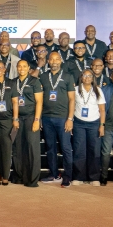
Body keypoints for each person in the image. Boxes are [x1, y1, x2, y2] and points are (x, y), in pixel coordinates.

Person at [39, 51, 75, 186]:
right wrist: (40, 117)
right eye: (52, 59)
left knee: (66, 147)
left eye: (57, 59)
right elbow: (40, 98)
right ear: (48, 61)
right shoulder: (43, 76)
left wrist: (70, 118)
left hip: (63, 118)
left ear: (60, 61)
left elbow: (72, 99)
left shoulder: (68, 76)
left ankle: (68, 176)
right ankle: (54, 174)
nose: (54, 62)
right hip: (47, 117)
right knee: (50, 148)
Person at [12, 59, 44, 187]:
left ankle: (32, 179)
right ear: (16, 68)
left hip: (31, 117)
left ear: (29, 68)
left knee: (32, 147)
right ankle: (20, 176)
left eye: (24, 66)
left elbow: (39, 102)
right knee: (18, 147)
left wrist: (37, 120)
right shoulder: (13, 82)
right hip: (18, 118)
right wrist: (14, 119)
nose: (21, 68)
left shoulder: (34, 81)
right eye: (19, 66)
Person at [72, 69, 106, 186]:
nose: (87, 78)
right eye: (85, 75)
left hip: (94, 123)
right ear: (81, 77)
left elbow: (102, 110)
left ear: (93, 78)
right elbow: (72, 105)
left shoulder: (98, 90)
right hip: (79, 123)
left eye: (89, 76)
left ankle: (94, 177)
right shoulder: (75, 89)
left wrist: (102, 125)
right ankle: (78, 177)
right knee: (79, 150)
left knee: (94, 150)